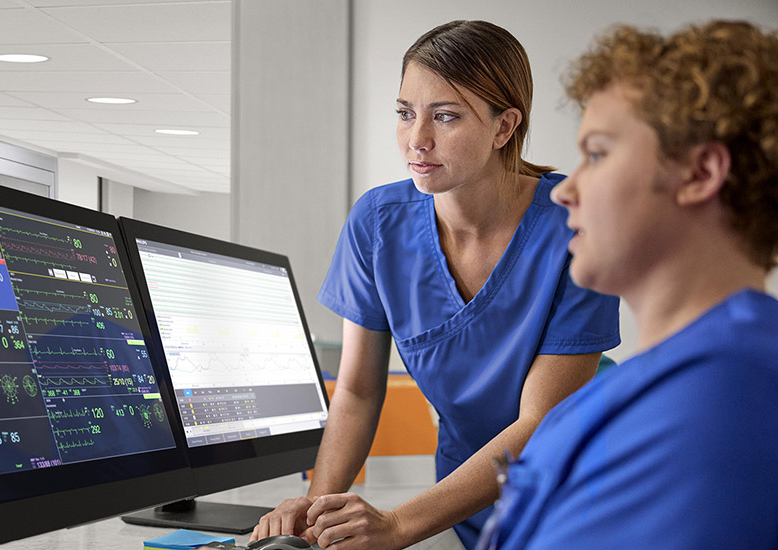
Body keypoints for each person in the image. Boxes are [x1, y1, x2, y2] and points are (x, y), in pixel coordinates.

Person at [251, 20, 620, 550]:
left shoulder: (574, 220)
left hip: (581, 480)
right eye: (405, 114)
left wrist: (399, 524)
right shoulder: (378, 223)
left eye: (445, 116)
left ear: (503, 126)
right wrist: (317, 513)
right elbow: (357, 390)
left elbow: (543, 421)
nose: (416, 140)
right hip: (465, 489)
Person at [477, 20, 778, 549]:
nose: (564, 190)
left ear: (699, 173)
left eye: (596, 154)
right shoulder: (646, 387)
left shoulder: (726, 399)